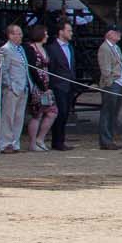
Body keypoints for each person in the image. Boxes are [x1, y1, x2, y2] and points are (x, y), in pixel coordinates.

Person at [23, 25, 59, 152]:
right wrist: (42, 86)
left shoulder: (45, 49)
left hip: (47, 86)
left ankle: (40, 139)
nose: (47, 36)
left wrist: (49, 86)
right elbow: (32, 69)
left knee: (52, 112)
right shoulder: (30, 49)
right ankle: (33, 143)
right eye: (45, 33)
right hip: (37, 86)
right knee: (37, 114)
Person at [46, 19, 79, 150]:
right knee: (60, 112)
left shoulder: (70, 47)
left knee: (65, 113)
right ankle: (57, 141)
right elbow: (51, 68)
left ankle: (61, 140)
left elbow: (72, 66)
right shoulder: (52, 48)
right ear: (61, 32)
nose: (71, 33)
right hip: (58, 85)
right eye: (68, 30)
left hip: (69, 84)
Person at [96, 27, 122, 150]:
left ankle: (110, 138)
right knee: (107, 113)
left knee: (114, 113)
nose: (119, 34)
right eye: (116, 32)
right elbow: (105, 69)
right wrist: (110, 82)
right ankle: (105, 140)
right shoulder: (104, 48)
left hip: (119, 83)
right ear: (109, 34)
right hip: (112, 84)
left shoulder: (116, 47)